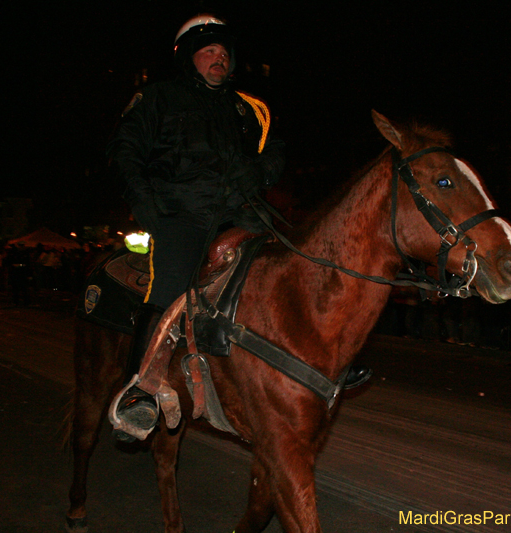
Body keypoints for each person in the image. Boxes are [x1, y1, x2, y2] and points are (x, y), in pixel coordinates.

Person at [108, 15, 368, 440]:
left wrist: (262, 170)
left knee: (295, 261)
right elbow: (125, 149)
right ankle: (139, 393)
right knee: (170, 283)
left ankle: (325, 357)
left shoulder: (247, 109)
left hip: (241, 213)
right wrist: (145, 202)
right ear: (190, 58)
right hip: (182, 214)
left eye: (224, 54)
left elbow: (276, 148)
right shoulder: (157, 98)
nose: (219, 59)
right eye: (209, 51)